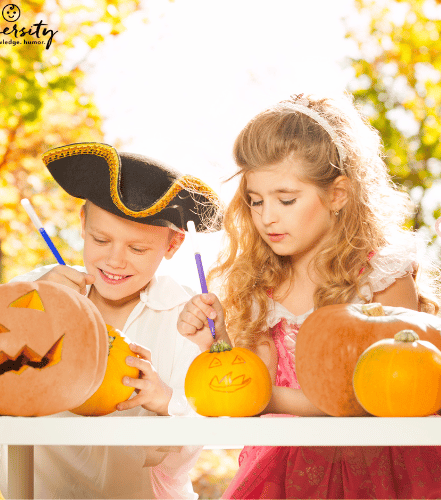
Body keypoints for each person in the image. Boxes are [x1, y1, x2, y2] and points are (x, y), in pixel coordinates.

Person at [177, 94, 441, 499]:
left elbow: (396, 394)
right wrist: (218, 348)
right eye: (255, 201)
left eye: (285, 200)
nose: (267, 217)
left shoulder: (380, 274)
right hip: (282, 470)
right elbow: (254, 382)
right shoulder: (258, 284)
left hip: (381, 470)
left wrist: (257, 394)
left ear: (338, 195)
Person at [0, 142, 223, 499]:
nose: (115, 261)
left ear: (173, 245)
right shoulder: (34, 290)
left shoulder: (186, 316)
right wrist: (31, 311)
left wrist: (165, 399)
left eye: (137, 249)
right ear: (82, 224)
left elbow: (213, 417)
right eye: (101, 239)